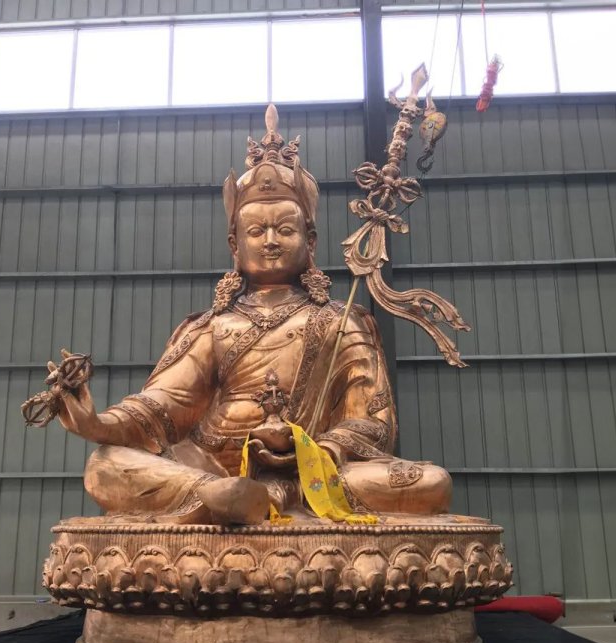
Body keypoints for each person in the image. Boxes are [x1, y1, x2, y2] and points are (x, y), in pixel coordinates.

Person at [54, 106, 452, 525]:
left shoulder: (342, 322)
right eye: (256, 231)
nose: (271, 241)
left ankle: (263, 498)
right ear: (235, 244)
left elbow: (373, 422)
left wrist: (310, 452)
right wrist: (97, 424)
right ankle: (218, 495)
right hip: (211, 465)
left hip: (313, 476)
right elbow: (161, 407)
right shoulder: (213, 326)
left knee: (431, 482)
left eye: (286, 230)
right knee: (105, 464)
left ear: (311, 241)